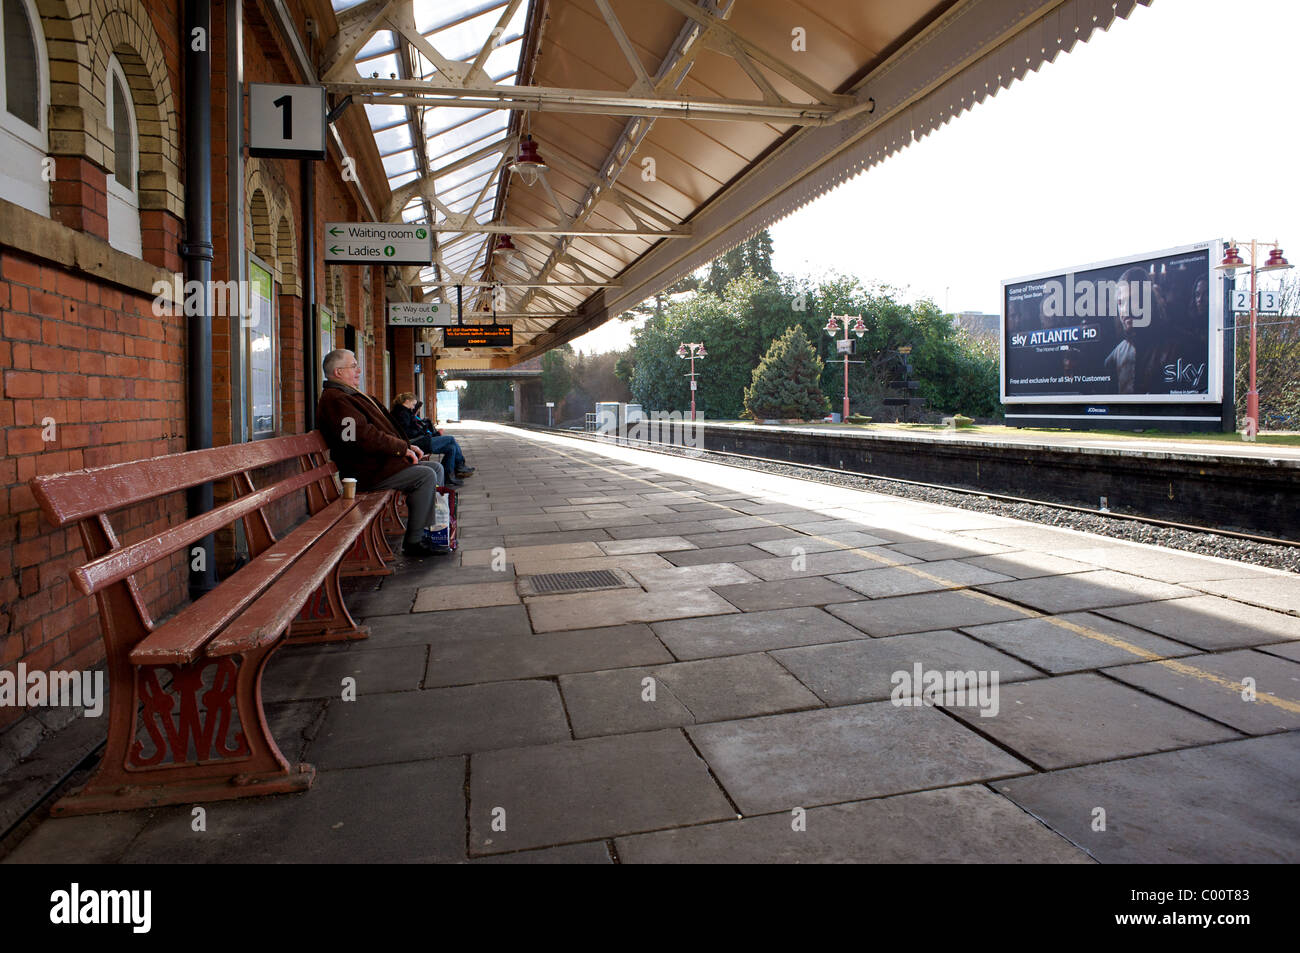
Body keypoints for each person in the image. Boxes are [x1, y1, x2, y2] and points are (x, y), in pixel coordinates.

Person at [317, 349, 450, 558]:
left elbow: (383, 429)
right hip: (366, 471)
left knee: (435, 467)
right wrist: (401, 448)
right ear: (338, 372)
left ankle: (429, 531)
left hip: (378, 465)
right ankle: (414, 542)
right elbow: (360, 436)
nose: (359, 370)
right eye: (353, 366)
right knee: (425, 476)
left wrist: (407, 446)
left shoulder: (350, 395)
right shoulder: (336, 400)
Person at [391, 393, 475, 481]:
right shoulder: (402, 414)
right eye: (413, 404)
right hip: (417, 443)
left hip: (420, 441)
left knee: (451, 447)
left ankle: (448, 475)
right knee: (450, 439)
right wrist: (424, 433)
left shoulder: (404, 412)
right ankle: (459, 466)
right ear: (407, 401)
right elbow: (407, 432)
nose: (413, 407)